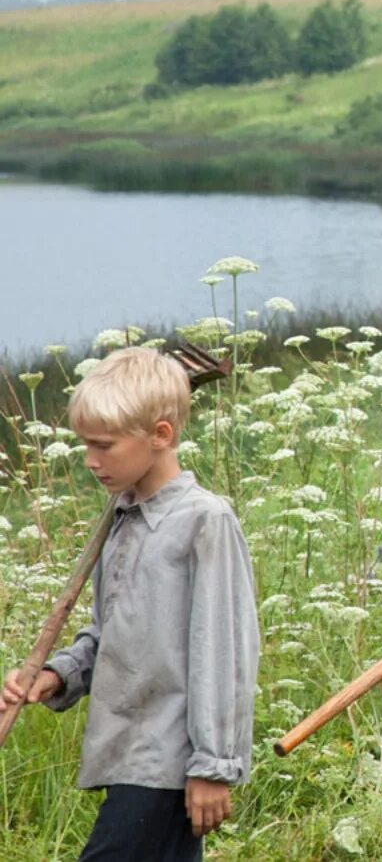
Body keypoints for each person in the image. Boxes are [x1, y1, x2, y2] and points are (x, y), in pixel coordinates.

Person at [0, 347, 260, 861]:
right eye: (84, 446)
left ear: (160, 436)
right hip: (126, 750)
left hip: (168, 761)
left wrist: (213, 765)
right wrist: (57, 674)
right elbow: (110, 632)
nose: (91, 461)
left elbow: (224, 651)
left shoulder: (204, 520)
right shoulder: (122, 519)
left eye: (104, 446)